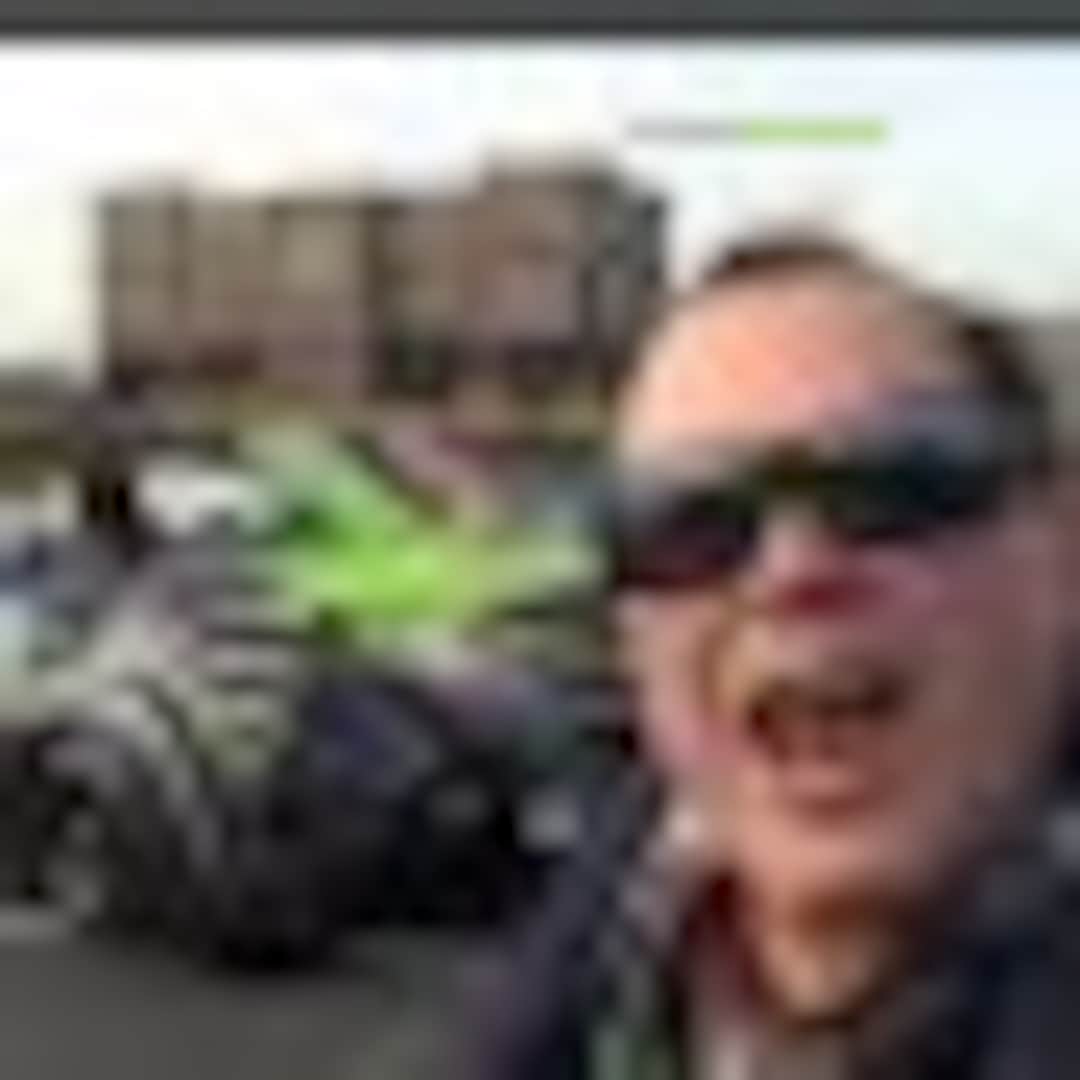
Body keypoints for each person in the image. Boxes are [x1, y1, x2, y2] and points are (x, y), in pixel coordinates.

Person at [464, 230, 1080, 1079]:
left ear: (1062, 548)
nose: (792, 568)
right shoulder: (609, 924)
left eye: (894, 480)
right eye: (684, 519)